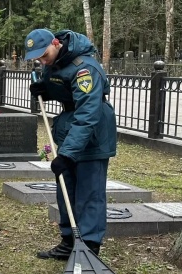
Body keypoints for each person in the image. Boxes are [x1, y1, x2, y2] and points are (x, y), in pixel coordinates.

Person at [24, 28, 117, 259]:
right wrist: (44, 91)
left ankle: (90, 247)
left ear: (56, 43)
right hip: (68, 131)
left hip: (91, 134)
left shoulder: (85, 68)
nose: (41, 60)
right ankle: (68, 242)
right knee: (66, 190)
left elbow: (87, 113)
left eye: (43, 54)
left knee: (89, 192)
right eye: (37, 57)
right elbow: (64, 91)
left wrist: (67, 154)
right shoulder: (53, 64)